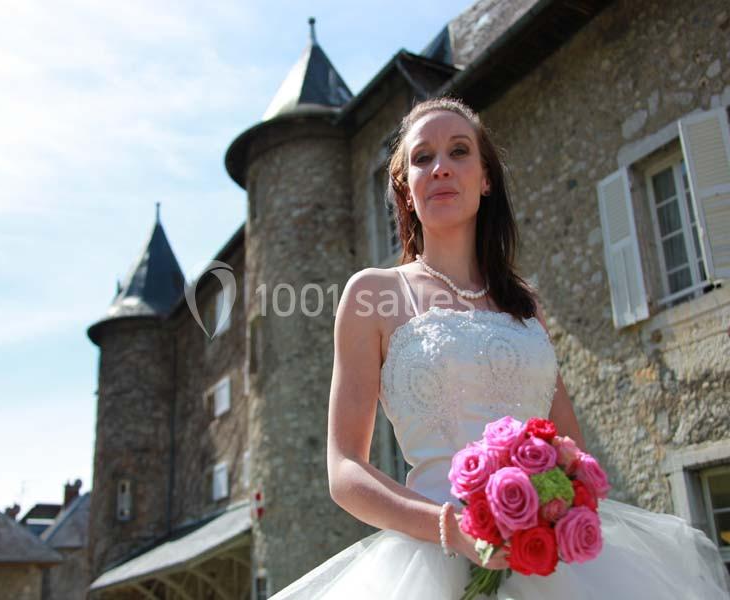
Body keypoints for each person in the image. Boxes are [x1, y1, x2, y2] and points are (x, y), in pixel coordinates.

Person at [271, 97, 730, 599]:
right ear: (406, 189)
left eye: (459, 151)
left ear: (486, 178)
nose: (441, 166)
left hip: (544, 561)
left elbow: (572, 452)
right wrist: (452, 528)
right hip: (431, 561)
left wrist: (551, 510)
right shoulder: (373, 294)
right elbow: (344, 469)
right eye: (423, 158)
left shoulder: (526, 303)